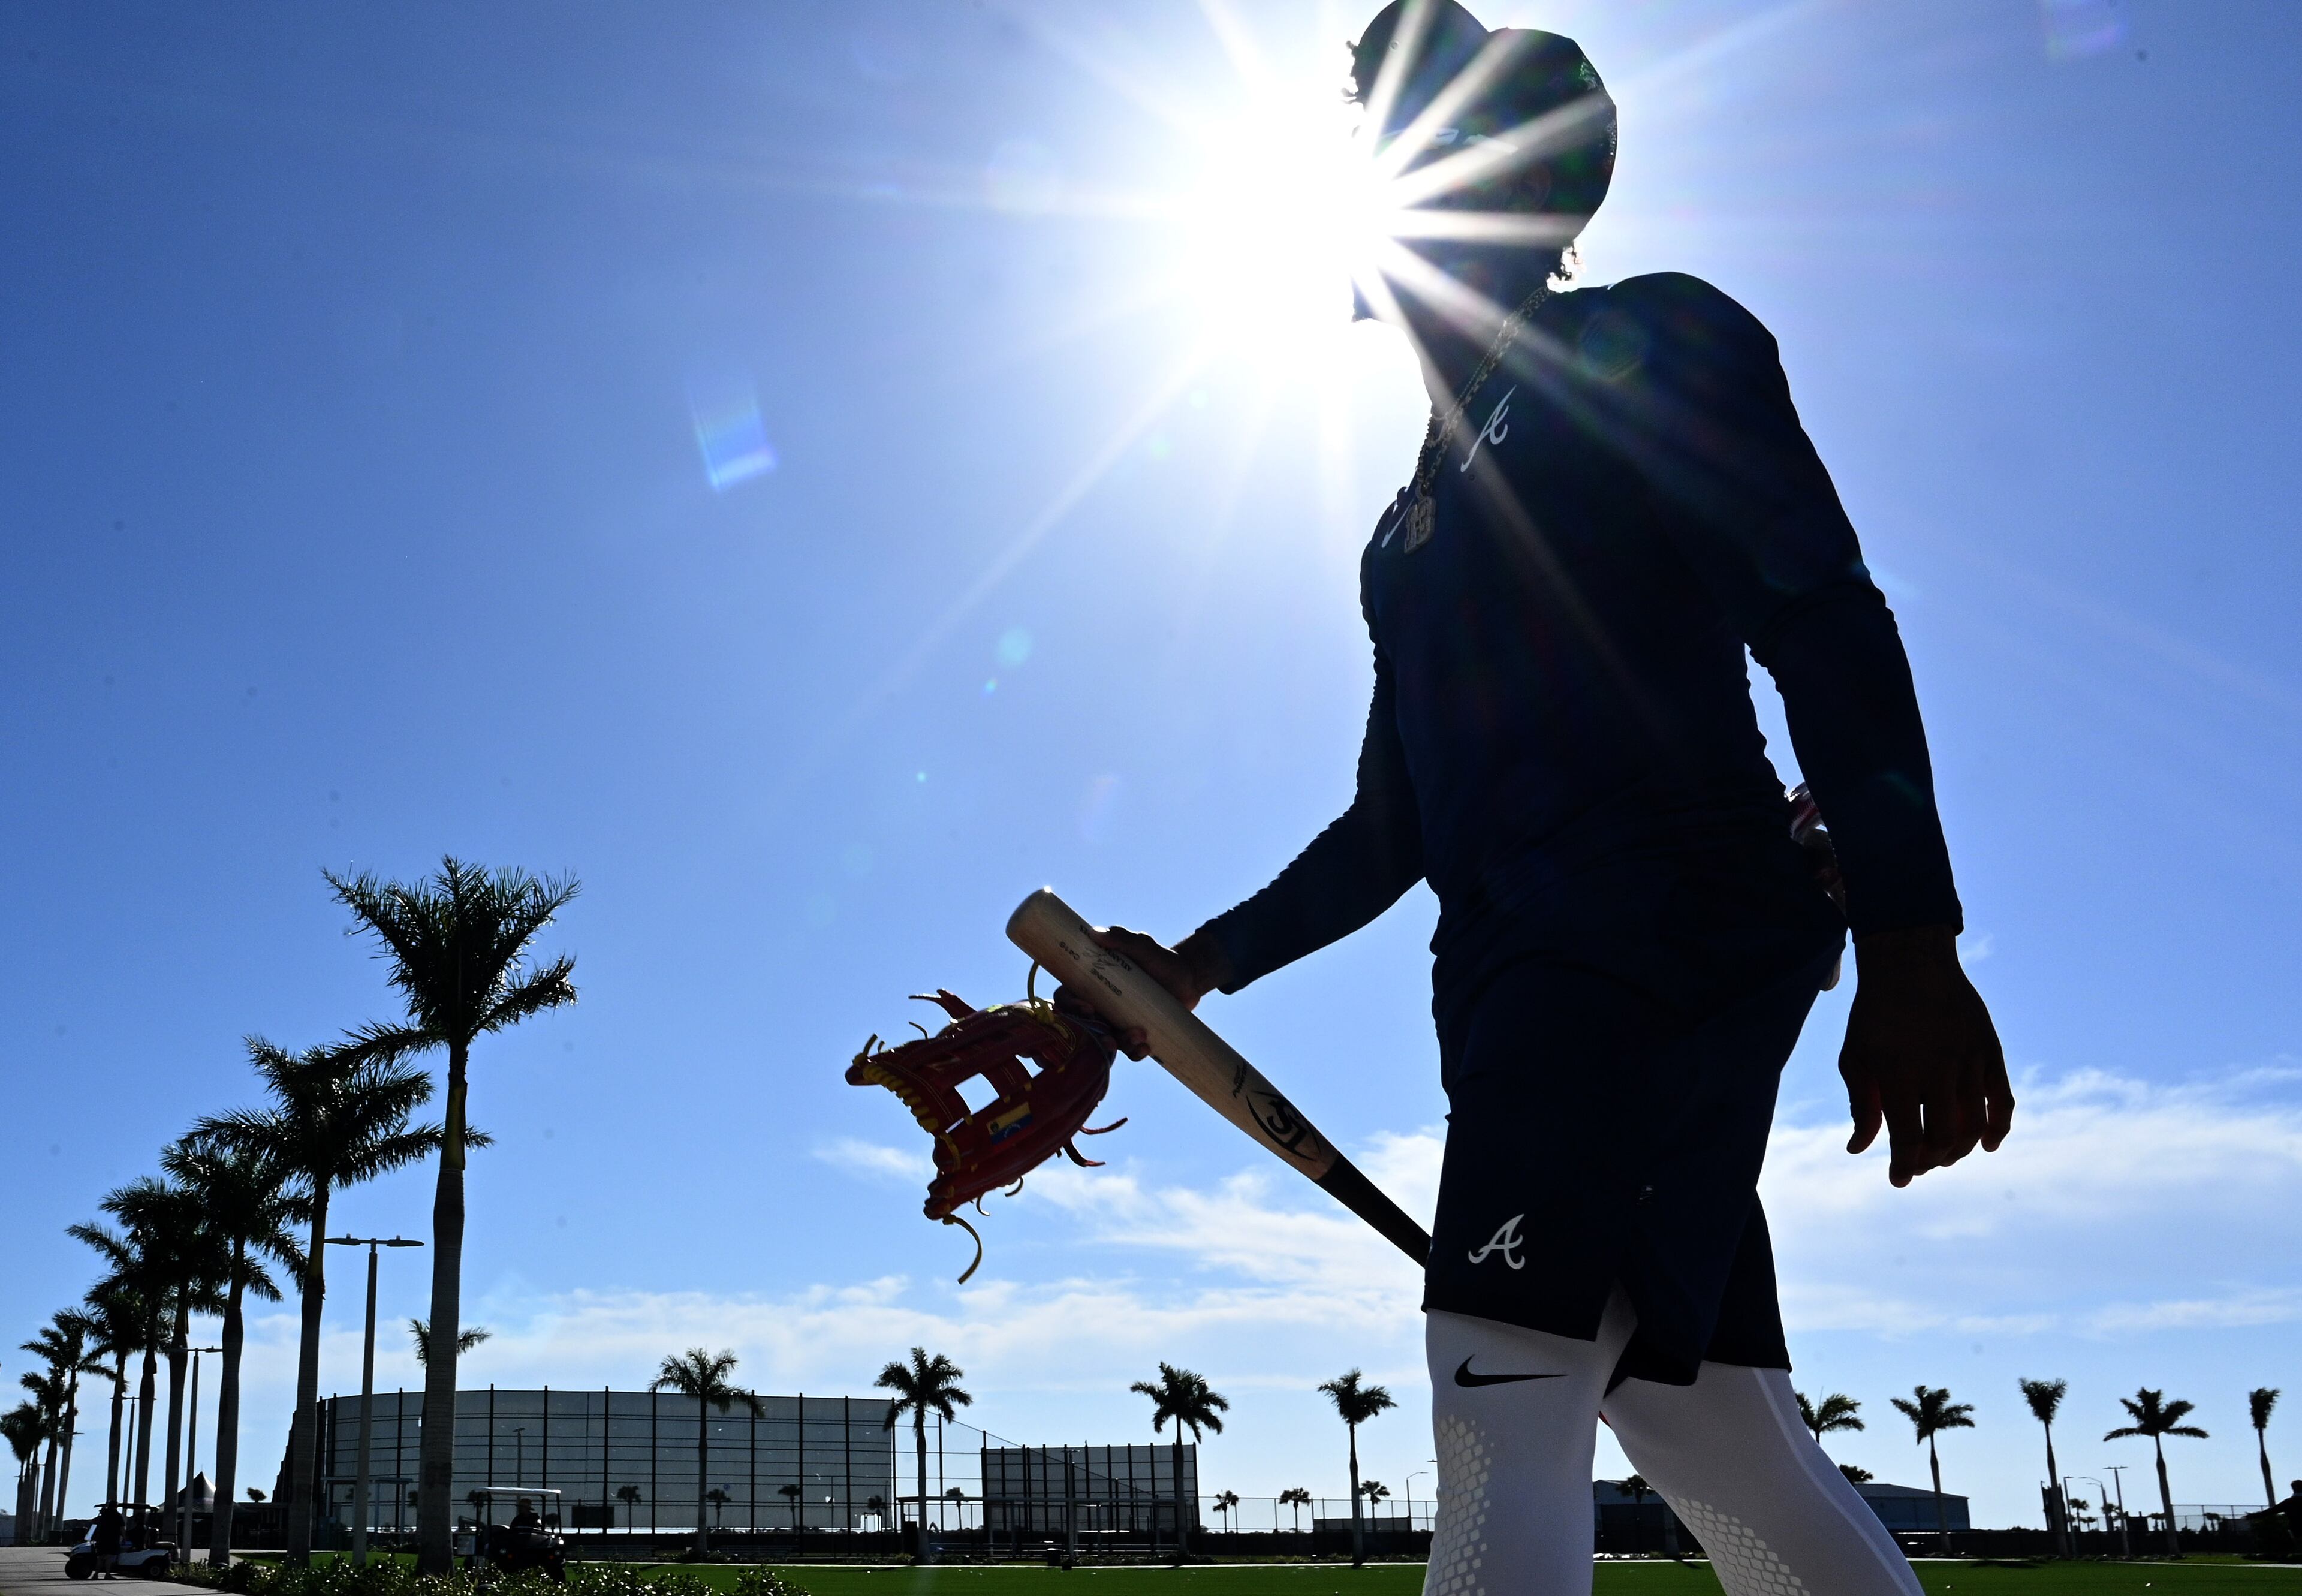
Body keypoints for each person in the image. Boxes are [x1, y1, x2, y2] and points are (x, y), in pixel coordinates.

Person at [1059, 4, 2012, 1594]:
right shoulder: (1406, 533)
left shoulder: (1645, 339)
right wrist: (1193, 968)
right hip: (1539, 977)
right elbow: (1391, 823)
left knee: (1496, 1385)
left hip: (1651, 937)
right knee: (1711, 1422)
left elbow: (1823, 613)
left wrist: (1916, 937)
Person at [94, 1502, 124, 1579]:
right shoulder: (117, 1516)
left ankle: (96, 1574)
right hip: (112, 1538)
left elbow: (102, 1511)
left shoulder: (104, 1514)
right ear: (116, 1507)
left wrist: (105, 1506)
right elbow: (122, 1528)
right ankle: (107, 1574)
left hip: (102, 1538)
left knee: (100, 1557)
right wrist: (125, 1537)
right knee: (109, 1557)